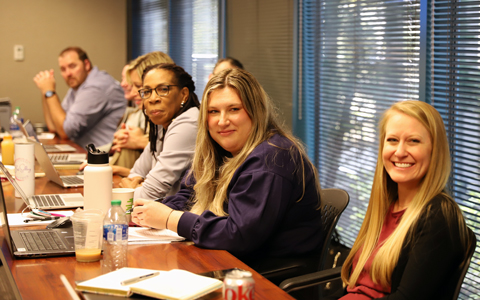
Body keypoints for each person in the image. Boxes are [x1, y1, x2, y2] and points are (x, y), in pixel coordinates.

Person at [131, 68, 323, 265]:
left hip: (266, 274)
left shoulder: (271, 158)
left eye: (234, 109)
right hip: (224, 258)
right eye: (213, 111)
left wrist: (170, 218)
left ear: (256, 110)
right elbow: (188, 195)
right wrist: (147, 214)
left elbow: (239, 235)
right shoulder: (219, 149)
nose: (222, 121)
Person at [339, 101, 471, 300]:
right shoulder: (386, 205)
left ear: (435, 151)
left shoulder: (438, 216)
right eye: (392, 140)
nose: (400, 152)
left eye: (414, 141)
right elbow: (354, 286)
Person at [119, 63, 200, 200]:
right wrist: (137, 185)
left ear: (184, 94)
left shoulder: (189, 123)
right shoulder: (163, 123)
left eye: (163, 89)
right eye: (147, 91)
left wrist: (131, 190)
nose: (153, 99)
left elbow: (149, 194)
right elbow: (136, 172)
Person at [33, 47, 126, 147]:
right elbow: (54, 126)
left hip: (104, 156)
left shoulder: (96, 87)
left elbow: (65, 132)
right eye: (63, 69)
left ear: (86, 64)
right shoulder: (78, 86)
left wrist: (49, 92)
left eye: (72, 66)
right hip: (85, 151)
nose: (68, 73)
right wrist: (45, 92)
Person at [109, 52, 174, 172]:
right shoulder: (155, 119)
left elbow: (165, 182)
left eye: (138, 86)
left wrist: (140, 142)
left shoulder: (183, 121)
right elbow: (140, 175)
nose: (134, 93)